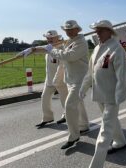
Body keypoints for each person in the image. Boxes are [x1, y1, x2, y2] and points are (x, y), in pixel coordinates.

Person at [79, 20, 126, 168]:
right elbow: (90, 72)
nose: (97, 33)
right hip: (100, 93)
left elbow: (122, 76)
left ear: (109, 31)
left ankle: (95, 165)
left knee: (104, 131)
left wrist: (119, 96)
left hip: (112, 96)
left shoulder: (117, 49)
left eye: (100, 30)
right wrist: (83, 88)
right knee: (112, 121)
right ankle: (120, 141)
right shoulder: (96, 49)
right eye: (96, 31)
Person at [39, 20, 90, 149]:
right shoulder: (70, 42)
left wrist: (51, 50)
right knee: (77, 104)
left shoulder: (81, 43)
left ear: (78, 30)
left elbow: (69, 56)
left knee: (69, 105)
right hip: (70, 78)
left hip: (80, 80)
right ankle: (83, 126)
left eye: (71, 29)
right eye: (66, 30)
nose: (68, 32)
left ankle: (73, 136)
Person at [34, 30, 67, 127]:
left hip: (61, 79)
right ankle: (47, 118)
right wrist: (30, 50)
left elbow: (62, 65)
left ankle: (66, 115)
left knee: (64, 99)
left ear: (57, 38)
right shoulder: (47, 48)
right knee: (44, 97)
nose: (49, 40)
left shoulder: (62, 48)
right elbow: (38, 50)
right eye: (48, 38)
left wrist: (58, 78)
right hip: (49, 79)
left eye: (52, 38)